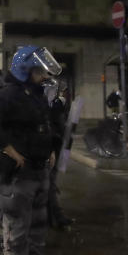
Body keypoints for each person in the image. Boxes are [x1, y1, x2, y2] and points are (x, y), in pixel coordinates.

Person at [0, 46, 63, 255]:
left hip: (39, 170)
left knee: (38, 226)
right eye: (39, 70)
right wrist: (9, 149)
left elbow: (42, 125)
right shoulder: (10, 95)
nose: (44, 75)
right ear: (26, 70)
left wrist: (50, 148)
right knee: (17, 227)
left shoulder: (36, 94)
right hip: (19, 173)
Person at [45, 81, 74, 228]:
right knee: (49, 184)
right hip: (51, 149)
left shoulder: (57, 108)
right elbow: (52, 130)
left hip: (56, 148)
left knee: (50, 184)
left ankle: (53, 216)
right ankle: (56, 217)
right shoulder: (52, 108)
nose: (64, 95)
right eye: (62, 92)